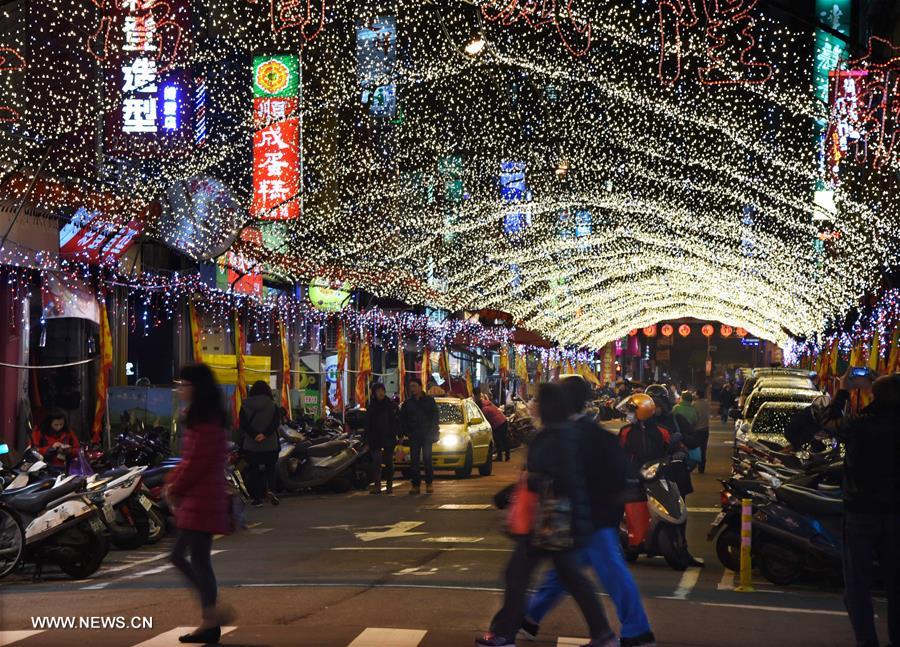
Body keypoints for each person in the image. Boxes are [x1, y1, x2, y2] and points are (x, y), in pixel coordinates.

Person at [477, 382, 616, 647]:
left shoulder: (554, 436)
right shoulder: (561, 433)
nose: (532, 405)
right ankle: (603, 634)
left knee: (520, 576)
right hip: (556, 521)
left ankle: (504, 634)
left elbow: (558, 478)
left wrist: (522, 488)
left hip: (549, 522)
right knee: (567, 578)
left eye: (537, 400)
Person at [523, 377, 656, 647]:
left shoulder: (574, 434)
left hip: (591, 518)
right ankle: (529, 616)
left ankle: (636, 631)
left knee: (610, 573)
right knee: (564, 571)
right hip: (589, 517)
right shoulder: (589, 431)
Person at [814, 370, 899, 647]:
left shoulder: (860, 425)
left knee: (858, 585)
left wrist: (842, 390)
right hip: (895, 515)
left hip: (861, 513)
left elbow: (827, 422)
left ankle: (867, 641)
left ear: (873, 394)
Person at [166, 363, 235, 644]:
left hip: (201, 498)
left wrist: (175, 487)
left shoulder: (206, 421)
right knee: (195, 559)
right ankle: (210, 620)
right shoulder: (204, 417)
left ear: (196, 387)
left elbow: (197, 463)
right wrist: (174, 482)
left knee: (187, 558)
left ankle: (212, 614)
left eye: (183, 384)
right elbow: (190, 460)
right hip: (200, 498)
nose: (180, 389)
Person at [238, 380, 281, 507]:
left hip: (252, 445)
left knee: (253, 471)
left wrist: (255, 435)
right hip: (270, 444)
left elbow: (243, 424)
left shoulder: (245, 405)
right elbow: (276, 423)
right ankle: (271, 491)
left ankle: (256, 499)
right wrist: (265, 434)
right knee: (270, 469)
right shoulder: (273, 405)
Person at [399, 377, 439, 494]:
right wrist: (404, 433)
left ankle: (429, 483)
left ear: (420, 387)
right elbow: (403, 419)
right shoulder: (407, 403)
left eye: (414, 386)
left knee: (427, 459)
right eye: (410, 386)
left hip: (427, 435)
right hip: (414, 436)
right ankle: (415, 485)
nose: (412, 389)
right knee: (414, 461)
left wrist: (433, 432)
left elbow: (434, 418)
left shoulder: (429, 401)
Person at [366, 383, 398, 494]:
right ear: (374, 393)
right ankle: (377, 486)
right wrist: (367, 439)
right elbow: (368, 424)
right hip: (375, 439)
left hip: (389, 438)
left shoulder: (391, 406)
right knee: (376, 463)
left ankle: (389, 486)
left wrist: (398, 435)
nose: (381, 393)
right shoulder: (371, 407)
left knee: (388, 463)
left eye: (382, 390)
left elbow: (395, 422)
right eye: (378, 391)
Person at [479, 393, 510, 462]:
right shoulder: (490, 405)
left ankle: (500, 457)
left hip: (498, 424)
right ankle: (507, 455)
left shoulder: (484, 409)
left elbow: (482, 420)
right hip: (503, 421)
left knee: (498, 440)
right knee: (504, 439)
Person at [692, 387, 711, 474]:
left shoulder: (694, 404)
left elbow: (694, 418)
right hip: (705, 429)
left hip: (697, 429)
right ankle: (702, 467)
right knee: (703, 449)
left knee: (697, 448)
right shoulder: (707, 403)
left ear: (698, 395)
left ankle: (696, 464)